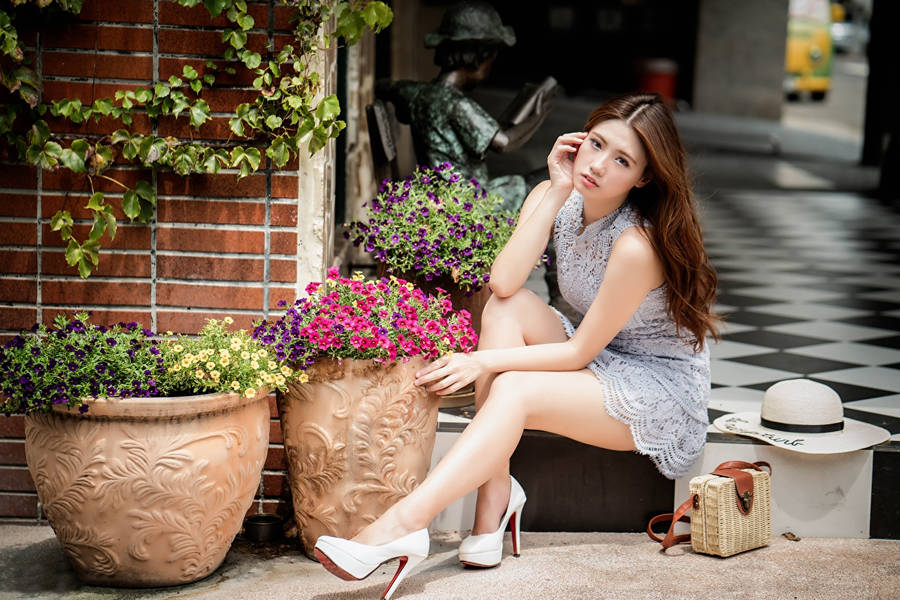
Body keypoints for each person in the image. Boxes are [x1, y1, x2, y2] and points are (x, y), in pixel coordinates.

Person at [313, 93, 720, 600]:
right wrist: (555, 191)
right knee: (506, 307)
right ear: (578, 139)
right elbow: (502, 284)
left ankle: (403, 524)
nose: (597, 165)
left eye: (622, 161)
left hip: (657, 388)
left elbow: (576, 354)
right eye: (596, 144)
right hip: (605, 357)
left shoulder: (636, 244)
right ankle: (494, 503)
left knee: (515, 389)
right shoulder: (559, 196)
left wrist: (479, 360)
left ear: (642, 178)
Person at [378, 0, 552, 212]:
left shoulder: (417, 93)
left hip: (446, 198)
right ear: (479, 57)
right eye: (490, 61)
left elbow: (386, 86)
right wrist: (538, 115)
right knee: (558, 177)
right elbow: (504, 143)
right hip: (470, 204)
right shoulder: (457, 104)